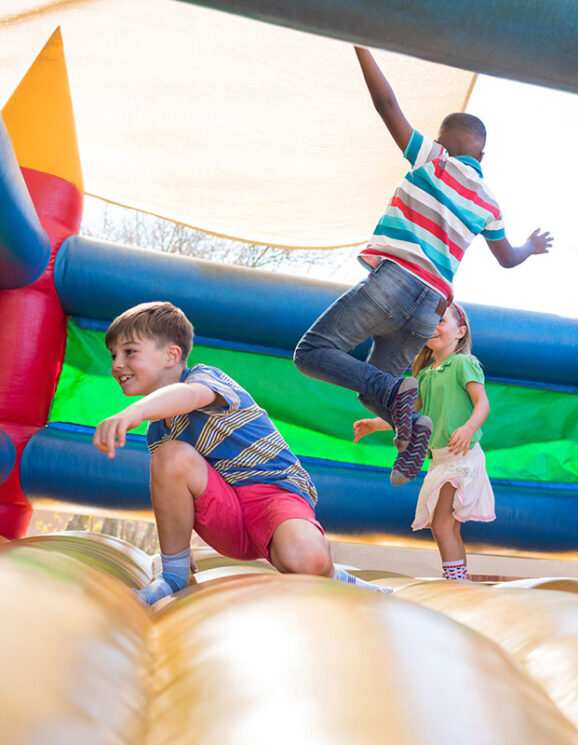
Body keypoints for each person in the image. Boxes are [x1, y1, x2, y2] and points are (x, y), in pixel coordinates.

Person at [294, 46, 551, 487]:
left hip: (395, 282)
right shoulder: (489, 203)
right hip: (432, 305)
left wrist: (360, 44)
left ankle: (399, 404)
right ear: (483, 158)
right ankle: (413, 431)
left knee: (313, 352)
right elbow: (507, 259)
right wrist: (529, 245)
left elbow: (386, 105)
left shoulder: (434, 159)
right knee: (376, 387)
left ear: (442, 142)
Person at [93, 301, 387, 604]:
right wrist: (179, 549)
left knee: (305, 560)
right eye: (113, 354)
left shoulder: (206, 379)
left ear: (171, 355)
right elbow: (180, 491)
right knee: (170, 457)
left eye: (129, 351)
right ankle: (174, 576)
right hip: (228, 519)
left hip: (274, 496)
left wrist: (134, 412)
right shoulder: (159, 432)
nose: (116, 363)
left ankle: (334, 574)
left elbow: (189, 396)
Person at [353, 304, 494, 581]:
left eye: (441, 321)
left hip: (462, 457)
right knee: (446, 526)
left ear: (460, 332)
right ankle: (460, 579)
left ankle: (455, 581)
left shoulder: (464, 363)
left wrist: (467, 428)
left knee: (442, 524)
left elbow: (483, 404)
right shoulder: (426, 374)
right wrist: (374, 424)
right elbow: (411, 415)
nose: (435, 327)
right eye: (431, 323)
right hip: (440, 459)